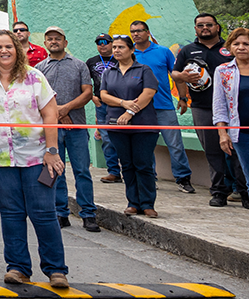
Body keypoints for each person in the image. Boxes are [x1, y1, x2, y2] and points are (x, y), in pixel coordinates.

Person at [0, 29, 69, 287]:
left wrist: (52, 152)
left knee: (43, 213)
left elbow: (51, 115)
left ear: (17, 50)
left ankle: (55, 270)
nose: (4, 51)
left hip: (37, 158)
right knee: (10, 213)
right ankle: (17, 267)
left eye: (9, 46)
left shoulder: (34, 77)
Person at [176, 14, 248, 207]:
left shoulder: (230, 48)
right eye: (200, 25)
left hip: (236, 110)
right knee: (214, 152)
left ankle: (242, 191)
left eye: (209, 24)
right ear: (195, 29)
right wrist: (181, 78)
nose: (205, 28)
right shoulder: (188, 50)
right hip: (202, 107)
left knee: (237, 152)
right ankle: (218, 191)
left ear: (217, 27)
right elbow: (175, 73)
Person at [36, 27, 99, 232]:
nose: (54, 42)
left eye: (58, 38)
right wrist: (58, 114)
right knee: (56, 171)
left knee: (82, 171)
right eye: (49, 39)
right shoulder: (39, 69)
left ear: (65, 42)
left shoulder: (79, 65)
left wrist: (66, 108)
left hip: (77, 127)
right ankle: (60, 213)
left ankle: (88, 213)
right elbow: (37, 99)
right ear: (45, 43)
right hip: (52, 129)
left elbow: (87, 93)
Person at [130, 20, 194, 193]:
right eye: (133, 31)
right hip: (139, 108)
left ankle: (183, 178)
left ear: (148, 32)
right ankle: (149, 178)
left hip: (164, 106)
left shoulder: (163, 52)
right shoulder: (129, 53)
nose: (136, 34)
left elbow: (177, 76)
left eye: (139, 30)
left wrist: (182, 98)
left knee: (175, 144)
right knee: (145, 147)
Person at [100, 35, 161, 216]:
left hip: (143, 125)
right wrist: (122, 103)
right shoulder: (109, 72)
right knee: (126, 165)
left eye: (121, 47)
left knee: (143, 164)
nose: (117, 50)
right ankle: (133, 202)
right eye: (115, 47)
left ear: (132, 50)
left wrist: (129, 112)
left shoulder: (143, 69)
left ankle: (148, 203)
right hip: (117, 125)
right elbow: (103, 95)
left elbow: (148, 93)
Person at [213, 27, 249, 205]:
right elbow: (219, 105)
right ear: (230, 47)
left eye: (246, 44)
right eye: (237, 44)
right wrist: (222, 133)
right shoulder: (223, 71)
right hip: (240, 133)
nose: (242, 47)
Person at [86, 33, 121, 183]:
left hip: (119, 104)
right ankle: (113, 171)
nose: (102, 45)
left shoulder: (120, 59)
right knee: (106, 139)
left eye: (105, 42)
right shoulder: (91, 62)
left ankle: (131, 171)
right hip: (101, 104)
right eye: (99, 42)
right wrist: (92, 97)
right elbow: (86, 82)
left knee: (124, 137)